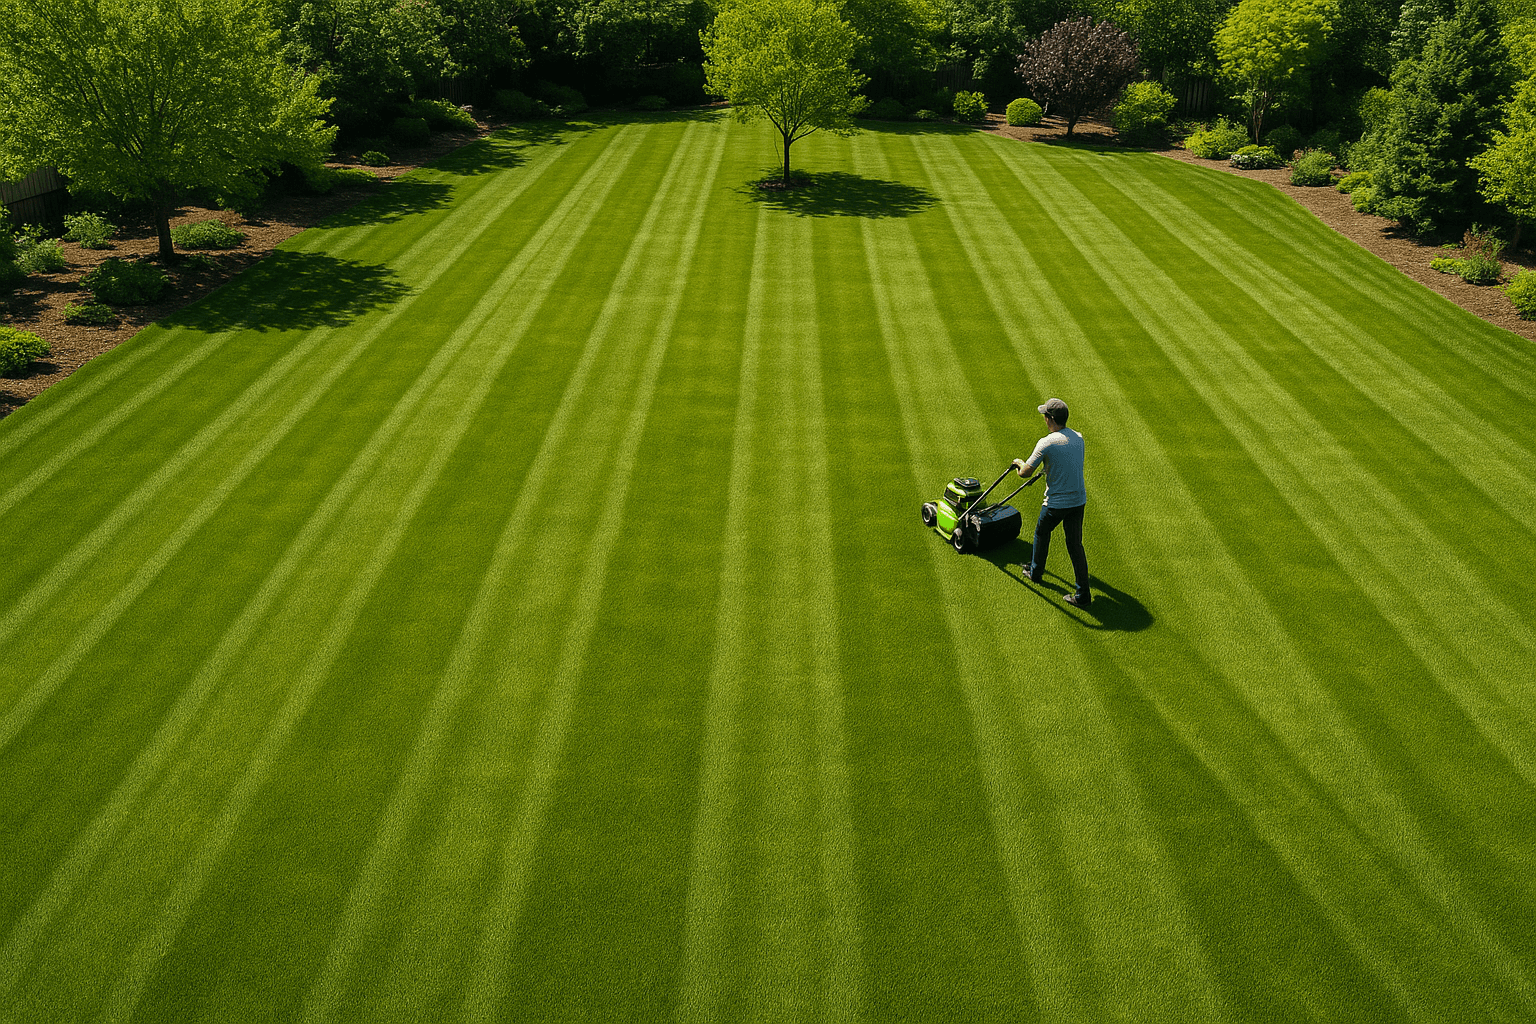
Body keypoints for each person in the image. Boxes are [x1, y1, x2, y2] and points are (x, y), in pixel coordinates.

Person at [1012, 397, 1090, 607]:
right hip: (1078, 501)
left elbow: (1025, 473)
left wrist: (1019, 463)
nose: (1044, 419)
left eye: (1045, 416)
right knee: (1075, 545)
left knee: (1041, 532)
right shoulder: (1078, 437)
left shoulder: (1047, 442)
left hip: (1057, 503)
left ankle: (1035, 572)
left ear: (1051, 419)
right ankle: (1083, 594)